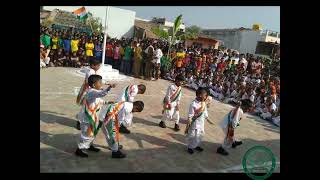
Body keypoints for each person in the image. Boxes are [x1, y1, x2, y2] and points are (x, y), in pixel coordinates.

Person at [75, 75, 115, 158]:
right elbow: (102, 94)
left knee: (92, 133)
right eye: (100, 82)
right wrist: (109, 88)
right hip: (87, 119)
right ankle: (79, 149)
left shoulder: (95, 93)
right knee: (86, 134)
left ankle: (89, 145)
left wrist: (108, 102)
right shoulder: (92, 92)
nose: (101, 84)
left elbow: (100, 101)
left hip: (93, 118)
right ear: (93, 85)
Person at [75, 58, 107, 130]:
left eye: (99, 65)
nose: (99, 67)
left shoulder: (96, 71)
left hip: (95, 92)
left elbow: (99, 81)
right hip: (90, 92)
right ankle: (80, 122)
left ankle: (92, 121)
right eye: (98, 65)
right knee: (85, 108)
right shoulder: (90, 72)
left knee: (94, 106)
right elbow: (89, 83)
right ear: (92, 65)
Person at [184, 87, 209, 154]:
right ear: (200, 95)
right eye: (205, 95)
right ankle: (190, 147)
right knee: (193, 136)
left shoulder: (203, 103)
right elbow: (191, 114)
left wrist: (207, 117)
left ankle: (196, 145)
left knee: (200, 135)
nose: (206, 97)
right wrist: (189, 120)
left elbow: (205, 111)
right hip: (195, 123)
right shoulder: (193, 104)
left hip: (201, 122)